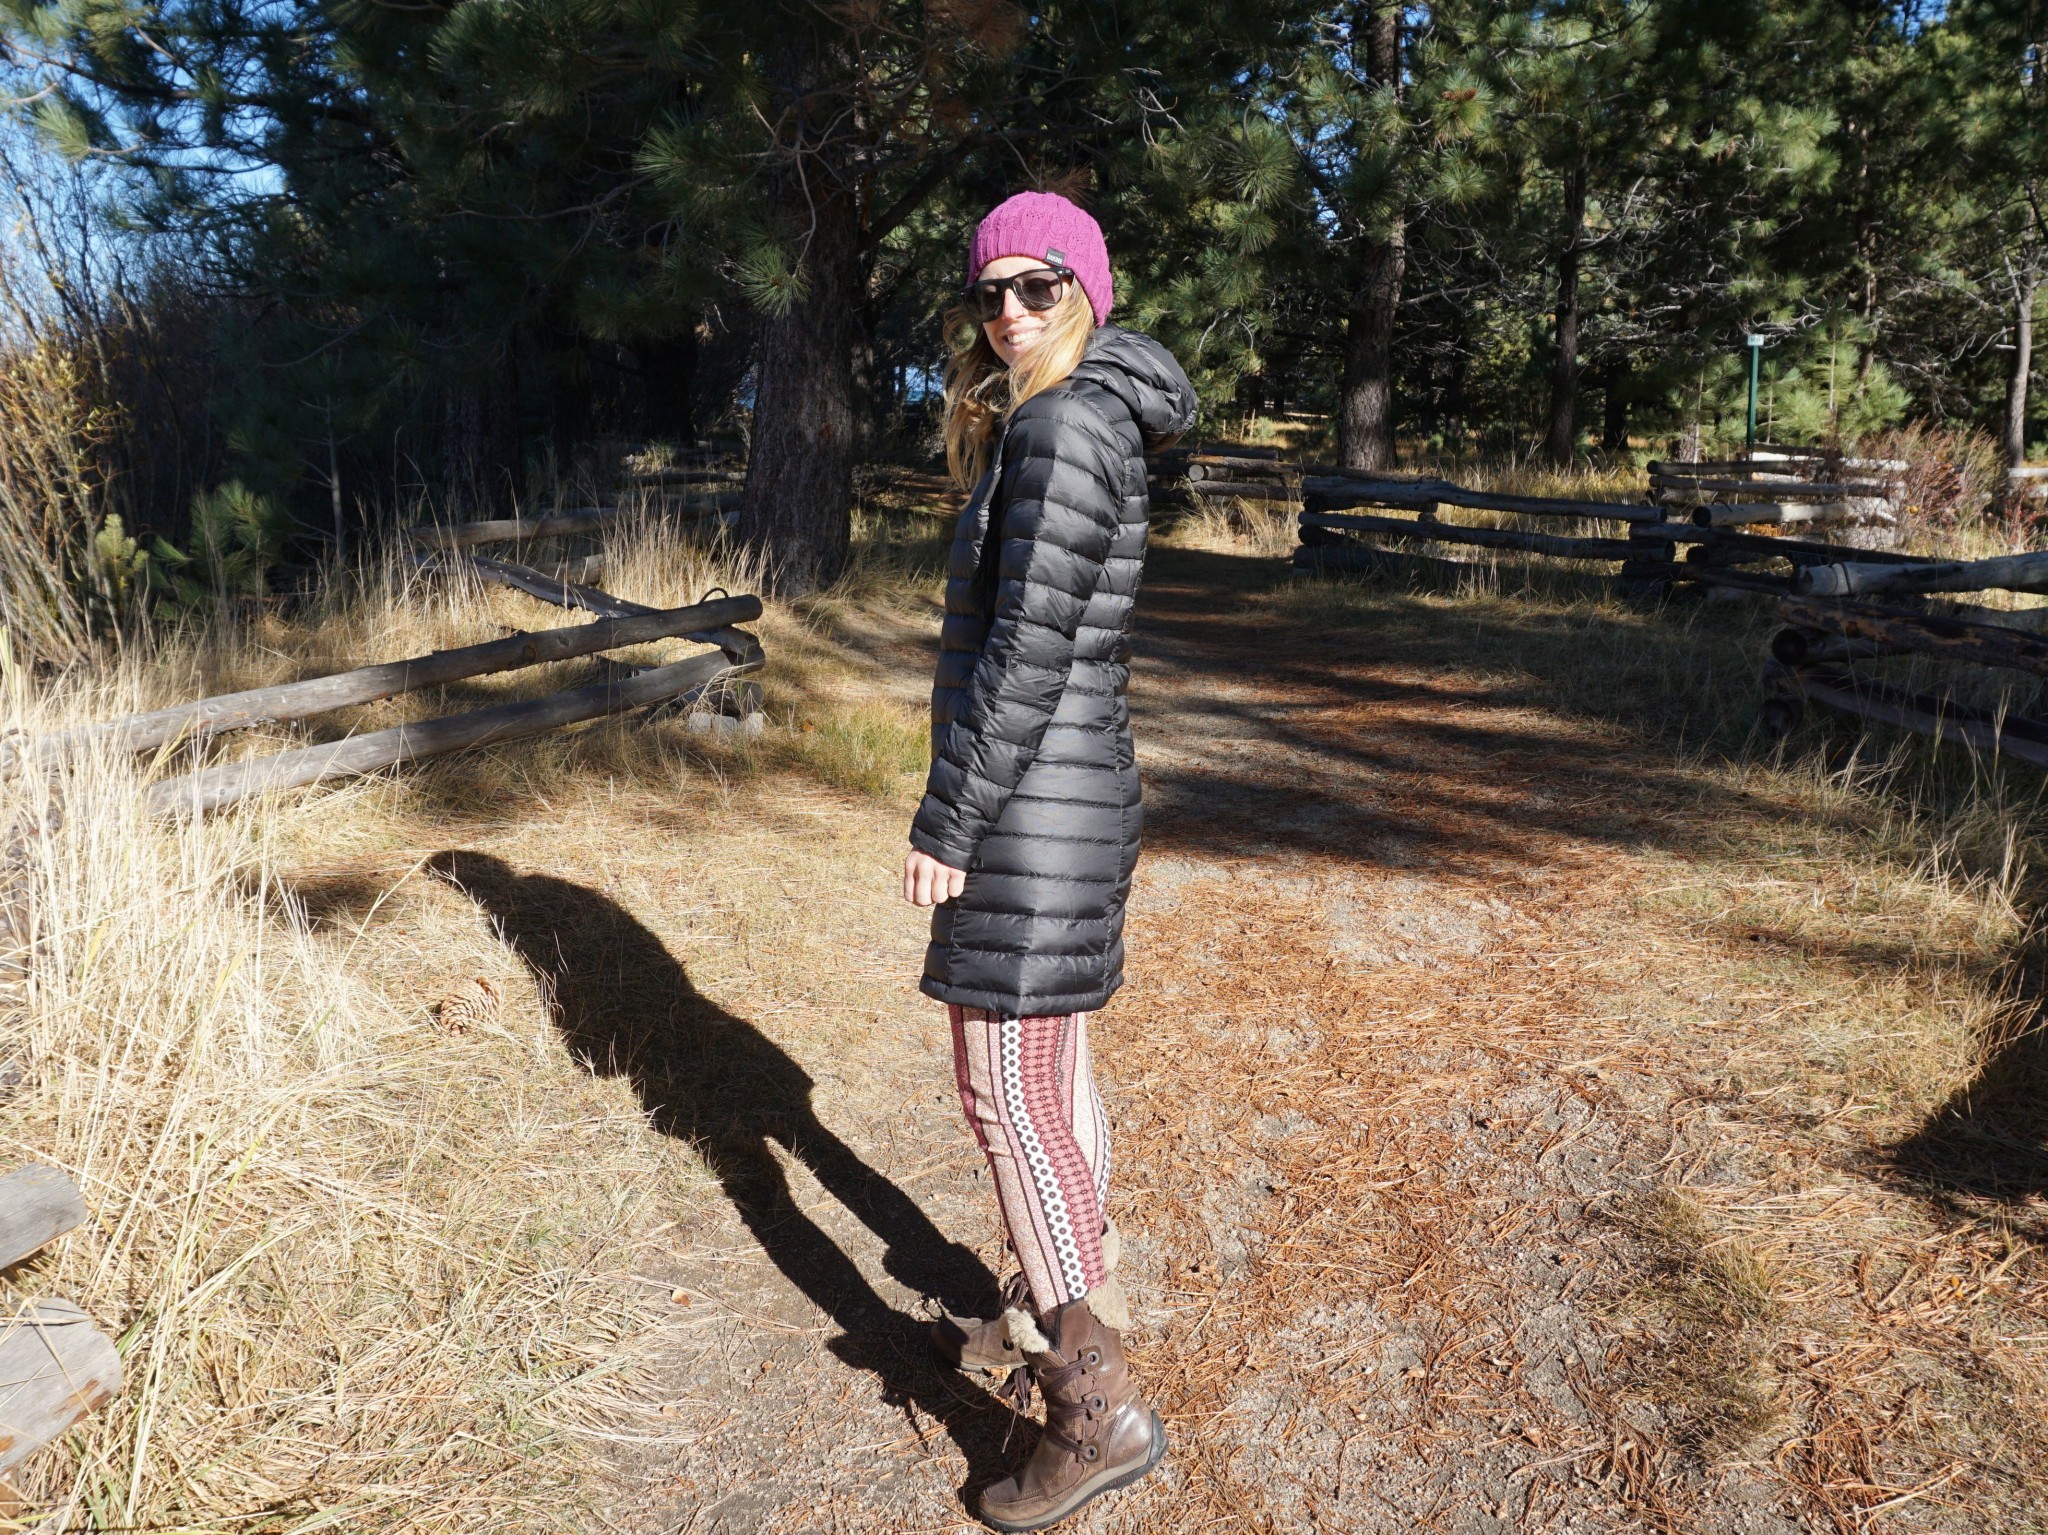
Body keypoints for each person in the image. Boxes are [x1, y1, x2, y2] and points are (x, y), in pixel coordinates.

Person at [901, 189, 1197, 1532]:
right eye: (990, 292)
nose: (1009, 312)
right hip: (1063, 795)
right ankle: (1062, 1294)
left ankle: (1094, 1408)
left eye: (1038, 286)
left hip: (1031, 804)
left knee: (1005, 1088)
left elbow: (1023, 655)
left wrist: (949, 821)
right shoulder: (1076, 414)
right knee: (1051, 1075)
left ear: (1088, 290)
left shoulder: (1066, 423)